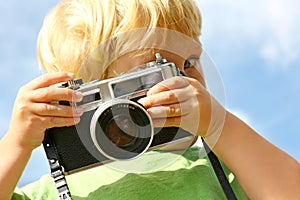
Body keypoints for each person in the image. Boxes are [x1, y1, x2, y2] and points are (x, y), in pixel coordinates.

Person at [0, 0, 299, 199]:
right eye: (156, 68)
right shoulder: (51, 190)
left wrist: (219, 124)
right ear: (91, 89)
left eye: (191, 60)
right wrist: (16, 143)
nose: (185, 78)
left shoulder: (224, 167)